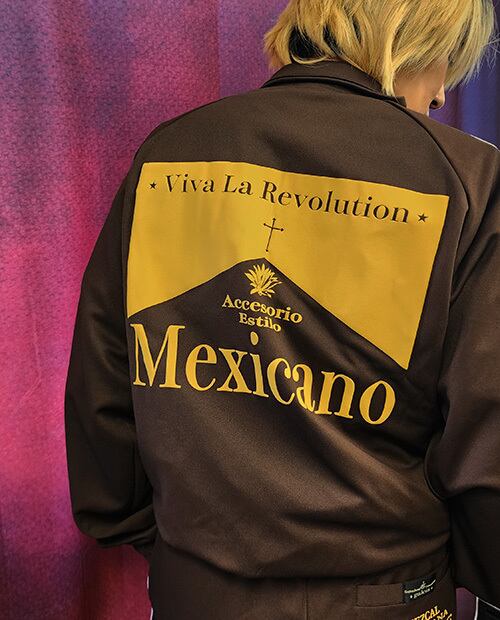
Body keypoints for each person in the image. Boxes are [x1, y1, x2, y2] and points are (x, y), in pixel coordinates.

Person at [64, 1, 500, 618]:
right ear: (414, 38)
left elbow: (104, 389)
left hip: (194, 591)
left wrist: (167, 547)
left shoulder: (170, 153)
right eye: (449, 60)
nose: (441, 94)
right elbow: (488, 441)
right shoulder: (468, 179)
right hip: (384, 597)